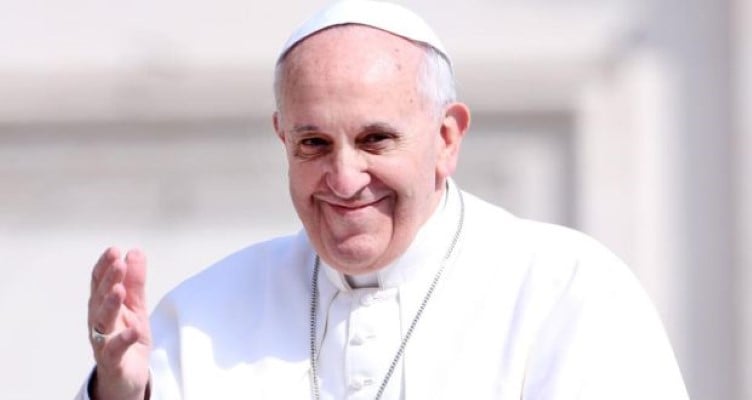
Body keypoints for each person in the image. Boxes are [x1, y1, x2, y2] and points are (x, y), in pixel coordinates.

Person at [77, 1, 689, 399]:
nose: (344, 179)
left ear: (446, 138)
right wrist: (121, 395)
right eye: (313, 143)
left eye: (376, 140)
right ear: (281, 139)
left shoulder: (567, 289)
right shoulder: (200, 317)